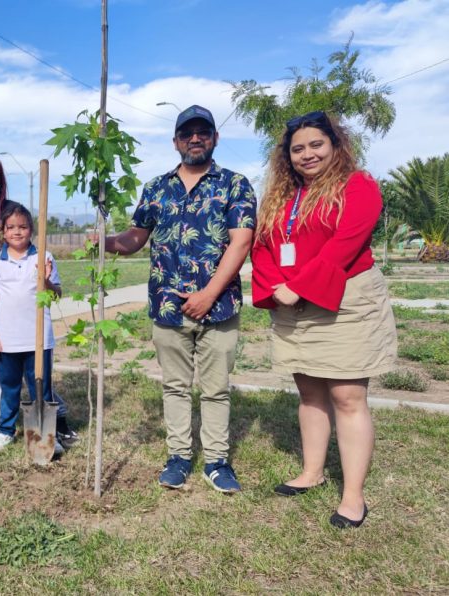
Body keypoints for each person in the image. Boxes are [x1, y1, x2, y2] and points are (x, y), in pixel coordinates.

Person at [97, 105, 256, 493]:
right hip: (167, 307)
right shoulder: (156, 188)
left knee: (216, 388)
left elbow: (242, 241)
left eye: (204, 132)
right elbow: (136, 237)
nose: (195, 138)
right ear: (176, 142)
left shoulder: (235, 184)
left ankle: (216, 462)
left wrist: (208, 294)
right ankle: (179, 457)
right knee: (175, 386)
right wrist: (105, 241)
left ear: (215, 138)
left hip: (218, 307)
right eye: (188, 133)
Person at [251, 110, 397, 529]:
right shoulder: (282, 196)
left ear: (335, 144)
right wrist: (277, 286)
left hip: (344, 301)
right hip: (292, 303)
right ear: (287, 156)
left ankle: (353, 497)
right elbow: (262, 246)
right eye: (298, 149)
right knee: (310, 391)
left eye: (316, 144)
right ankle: (312, 472)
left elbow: (346, 243)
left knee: (347, 397)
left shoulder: (358, 185)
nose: (307, 154)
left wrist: (301, 285)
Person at [0, 154, 78, 447]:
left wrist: (36, 280)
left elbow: (53, 290)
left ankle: (52, 421)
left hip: (21, 296)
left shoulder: (11, 211)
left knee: (35, 372)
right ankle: (3, 421)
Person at [0, 204, 64, 455]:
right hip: (8, 340)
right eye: (11, 227)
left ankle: (47, 434)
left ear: (31, 229)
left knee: (42, 388)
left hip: (39, 340)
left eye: (23, 226)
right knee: (9, 388)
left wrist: (47, 280)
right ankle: (6, 430)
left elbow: (57, 295)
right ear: (3, 233)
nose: (17, 232)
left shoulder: (44, 258)